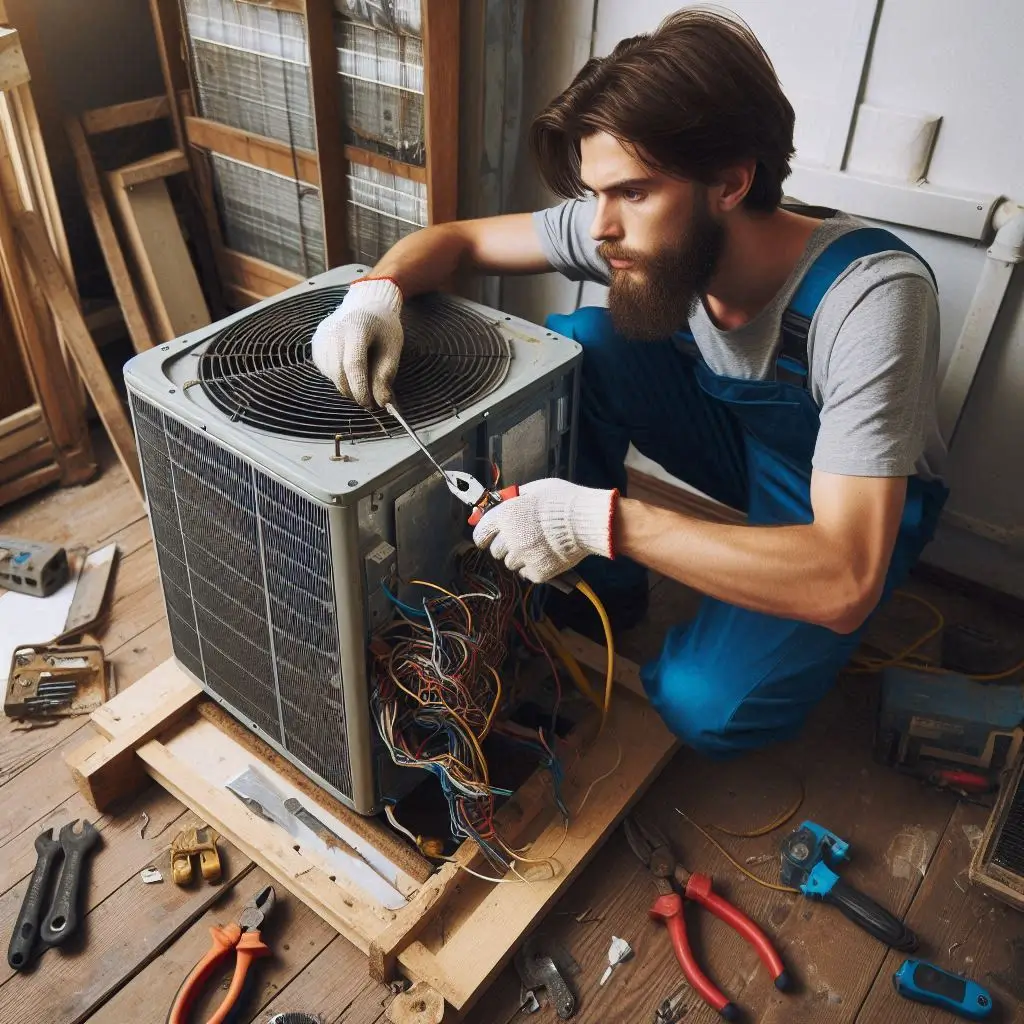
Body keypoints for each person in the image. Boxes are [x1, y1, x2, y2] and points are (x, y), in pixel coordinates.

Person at [310, 7, 949, 756]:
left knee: (703, 704)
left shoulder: (873, 298)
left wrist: (600, 520)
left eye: (632, 193)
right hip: (741, 440)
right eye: (595, 193)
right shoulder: (640, 227)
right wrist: (375, 295)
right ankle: (601, 594)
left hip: (851, 509)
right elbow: (458, 240)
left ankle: (627, 562)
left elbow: (845, 583)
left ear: (731, 182)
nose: (600, 226)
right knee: (585, 343)